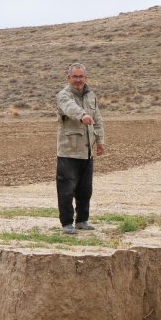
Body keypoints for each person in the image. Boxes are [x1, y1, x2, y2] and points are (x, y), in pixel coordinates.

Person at [55, 63, 106, 234]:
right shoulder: (63, 95)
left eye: (81, 76)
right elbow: (70, 108)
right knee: (66, 190)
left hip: (87, 151)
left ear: (85, 77)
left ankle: (82, 220)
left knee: (85, 190)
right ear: (68, 78)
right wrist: (82, 115)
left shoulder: (91, 96)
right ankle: (67, 223)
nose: (78, 80)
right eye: (75, 77)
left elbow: (97, 119)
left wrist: (100, 141)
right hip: (69, 151)